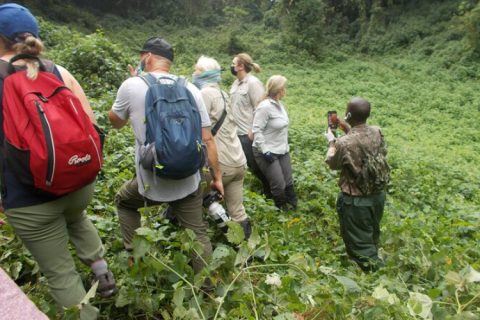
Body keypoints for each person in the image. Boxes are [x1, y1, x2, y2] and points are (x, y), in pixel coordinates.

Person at [0, 3, 115, 317]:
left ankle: (85, 313)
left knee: (60, 272)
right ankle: (102, 270)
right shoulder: (59, 72)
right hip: (78, 184)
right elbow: (91, 127)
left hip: (29, 199)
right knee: (76, 218)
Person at [108, 37, 223, 273]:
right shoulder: (191, 89)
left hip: (152, 181)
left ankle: (136, 259)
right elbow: (207, 139)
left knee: (124, 202)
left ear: (147, 57)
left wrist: (131, 84)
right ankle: (209, 291)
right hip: (189, 179)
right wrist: (217, 177)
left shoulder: (132, 85)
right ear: (169, 62)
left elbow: (115, 122)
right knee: (198, 233)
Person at [324, 97, 390, 272]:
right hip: (377, 195)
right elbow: (364, 142)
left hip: (356, 200)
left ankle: (377, 274)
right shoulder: (377, 131)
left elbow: (332, 163)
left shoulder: (343, 143)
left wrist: (332, 142)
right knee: (371, 232)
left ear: (348, 114)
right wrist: (347, 128)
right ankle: (373, 259)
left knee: (360, 245)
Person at [192, 55, 252, 239]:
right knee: (238, 211)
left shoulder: (203, 94)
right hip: (238, 162)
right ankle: (245, 248)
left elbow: (196, 130)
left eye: (196, 70)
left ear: (203, 73)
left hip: (220, 163)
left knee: (191, 198)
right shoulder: (224, 93)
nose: (193, 73)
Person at [252, 75, 297, 210]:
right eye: (284, 88)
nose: (285, 90)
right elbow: (256, 130)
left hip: (282, 149)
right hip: (267, 151)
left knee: (288, 182)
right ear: (280, 90)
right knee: (279, 184)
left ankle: (294, 207)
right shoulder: (265, 107)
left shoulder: (279, 105)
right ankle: (282, 210)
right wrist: (265, 150)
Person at [229, 53, 271, 197]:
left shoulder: (253, 83)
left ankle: (272, 190)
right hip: (236, 132)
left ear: (241, 66)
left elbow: (260, 108)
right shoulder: (235, 84)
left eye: (233, 63)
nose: (231, 66)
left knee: (257, 165)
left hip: (248, 133)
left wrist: (254, 130)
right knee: (248, 165)